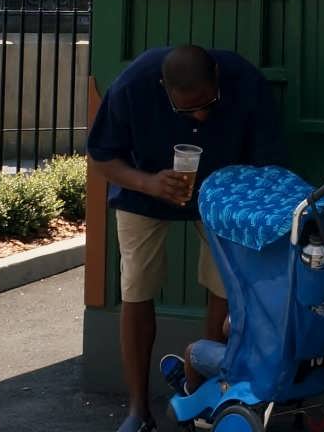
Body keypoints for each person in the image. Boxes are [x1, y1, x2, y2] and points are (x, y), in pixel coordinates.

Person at [87, 43, 286, 432]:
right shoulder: (132, 86)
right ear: (162, 87)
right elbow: (101, 157)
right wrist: (149, 183)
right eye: (187, 109)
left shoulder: (245, 82)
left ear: (217, 77)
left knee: (224, 285)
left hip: (224, 194)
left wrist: (230, 199)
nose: (200, 114)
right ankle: (137, 409)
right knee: (136, 287)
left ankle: (198, 390)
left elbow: (268, 164)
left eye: (209, 103)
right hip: (144, 186)